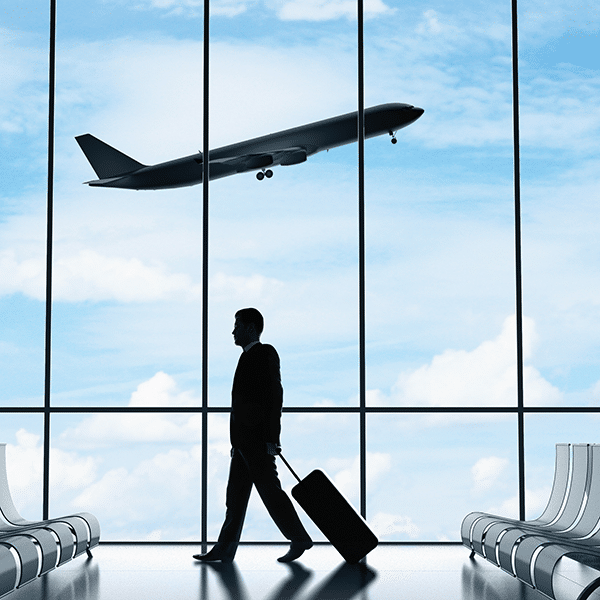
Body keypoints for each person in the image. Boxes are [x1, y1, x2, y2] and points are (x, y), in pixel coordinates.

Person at [194, 308, 313, 563]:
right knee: (234, 499)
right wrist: (235, 442)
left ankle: (299, 537)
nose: (233, 331)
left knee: (271, 493)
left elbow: (274, 397)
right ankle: (224, 550)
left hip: (258, 442)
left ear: (250, 328)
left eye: (237, 325)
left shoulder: (265, 353)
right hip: (242, 444)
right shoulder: (245, 358)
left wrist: (273, 439)